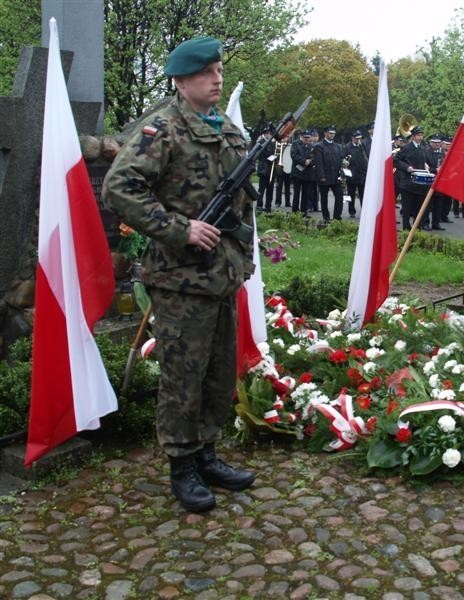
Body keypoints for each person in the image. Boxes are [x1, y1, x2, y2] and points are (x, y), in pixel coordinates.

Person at [103, 36, 255, 513]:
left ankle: (206, 451)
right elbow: (120, 187)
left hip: (222, 273)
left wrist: (243, 257)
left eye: (219, 73)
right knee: (182, 376)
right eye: (207, 73)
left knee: (216, 372)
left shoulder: (225, 127)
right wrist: (178, 228)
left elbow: (240, 198)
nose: (217, 80)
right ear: (182, 79)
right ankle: (181, 465)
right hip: (180, 277)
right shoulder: (161, 129)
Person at [394, 125, 431, 230]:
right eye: (418, 135)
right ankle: (406, 227)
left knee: (418, 207)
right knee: (407, 207)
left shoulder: (423, 148)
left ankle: (416, 227)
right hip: (408, 183)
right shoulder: (406, 148)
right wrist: (407, 167)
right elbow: (396, 160)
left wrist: (425, 165)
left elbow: (424, 160)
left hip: (419, 184)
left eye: (421, 135)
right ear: (413, 136)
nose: (420, 138)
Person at [313, 125, 345, 222]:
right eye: (330, 133)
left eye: (333, 133)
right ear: (325, 133)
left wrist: (344, 165)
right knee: (324, 198)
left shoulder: (338, 146)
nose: (332, 135)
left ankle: (337, 217)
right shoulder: (319, 146)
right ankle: (326, 217)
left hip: (336, 176)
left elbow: (340, 159)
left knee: (339, 196)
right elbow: (319, 162)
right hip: (325, 176)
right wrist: (321, 176)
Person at [290, 130, 316, 215]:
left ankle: (303, 211)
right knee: (296, 193)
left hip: (308, 173)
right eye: (305, 137)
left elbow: (315, 158)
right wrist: (304, 161)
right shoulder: (295, 144)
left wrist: (310, 162)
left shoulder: (312, 145)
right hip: (297, 172)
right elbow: (294, 155)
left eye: (308, 137)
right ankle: (295, 211)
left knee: (306, 193)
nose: (307, 139)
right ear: (301, 136)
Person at [344, 130, 369, 217]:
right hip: (352, 174)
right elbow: (344, 161)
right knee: (351, 194)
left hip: (362, 174)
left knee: (363, 194)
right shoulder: (347, 147)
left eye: (359, 138)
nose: (358, 140)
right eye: (356, 138)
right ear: (352, 138)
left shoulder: (363, 146)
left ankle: (364, 211)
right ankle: (352, 211)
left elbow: (366, 158)